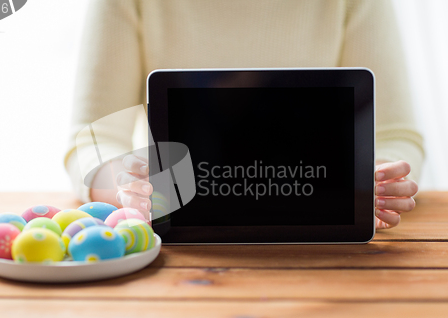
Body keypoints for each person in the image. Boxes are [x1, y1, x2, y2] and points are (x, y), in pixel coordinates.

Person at [64, 0, 423, 229]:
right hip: (186, 233)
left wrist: (383, 178)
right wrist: (123, 183)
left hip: (319, 225)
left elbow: (396, 134)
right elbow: (93, 136)